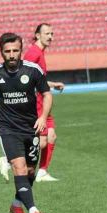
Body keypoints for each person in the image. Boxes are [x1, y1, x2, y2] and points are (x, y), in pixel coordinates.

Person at [0, 32, 52, 213]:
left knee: (29, 172)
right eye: (7, 51)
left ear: (21, 51)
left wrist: (43, 117)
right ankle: (34, 210)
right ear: (1, 52)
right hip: (8, 129)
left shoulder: (33, 70)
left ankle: (16, 204)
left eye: (15, 50)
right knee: (19, 168)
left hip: (31, 128)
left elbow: (47, 94)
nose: (11, 54)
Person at [22, 23, 65, 182]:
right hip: (37, 104)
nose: (50, 37)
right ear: (38, 35)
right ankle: (9, 158)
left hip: (44, 103)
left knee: (51, 136)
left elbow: (38, 79)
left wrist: (52, 85)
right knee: (41, 142)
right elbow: (24, 74)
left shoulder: (40, 52)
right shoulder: (34, 53)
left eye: (52, 34)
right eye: (47, 33)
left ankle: (42, 172)